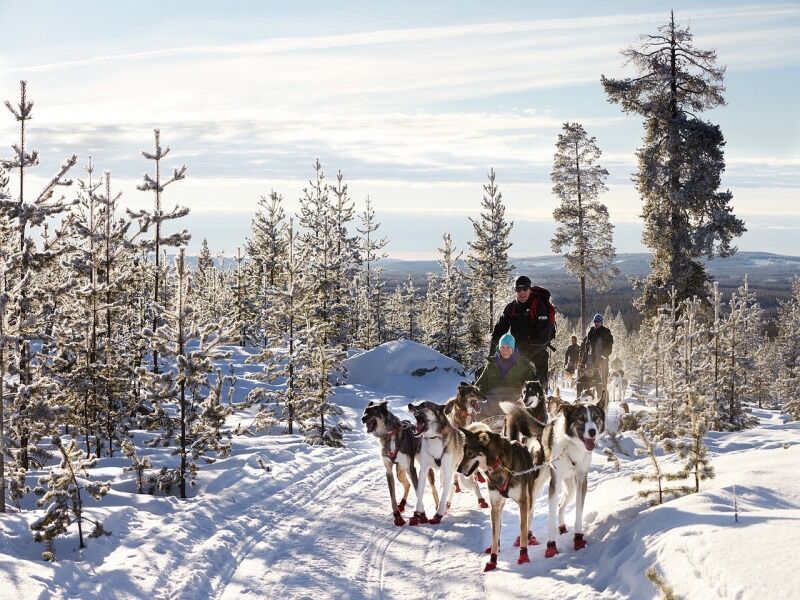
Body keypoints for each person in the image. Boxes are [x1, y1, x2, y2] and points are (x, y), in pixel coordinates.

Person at [489, 276, 556, 389]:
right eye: (518, 289)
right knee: (512, 381)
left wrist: (525, 353)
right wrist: (492, 354)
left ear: (530, 289)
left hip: (537, 350)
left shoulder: (539, 307)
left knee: (538, 383)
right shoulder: (511, 308)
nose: (522, 292)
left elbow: (543, 338)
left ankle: (541, 390)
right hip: (516, 351)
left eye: (525, 289)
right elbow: (498, 331)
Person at [475, 333, 537, 420]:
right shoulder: (491, 365)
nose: (505, 350)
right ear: (499, 348)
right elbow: (480, 386)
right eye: (502, 347)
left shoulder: (523, 365)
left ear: (513, 349)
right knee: (477, 412)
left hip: (514, 404)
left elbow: (532, 387)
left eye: (508, 347)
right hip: (492, 405)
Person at [580, 313, 614, 392]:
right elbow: (587, 348)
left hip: (602, 358)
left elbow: (609, 347)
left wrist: (603, 356)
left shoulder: (606, 332)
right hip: (592, 358)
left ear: (601, 322)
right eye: (595, 321)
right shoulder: (591, 332)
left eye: (598, 321)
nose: (596, 323)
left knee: (602, 375)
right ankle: (587, 390)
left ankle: (603, 390)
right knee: (588, 374)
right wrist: (583, 361)